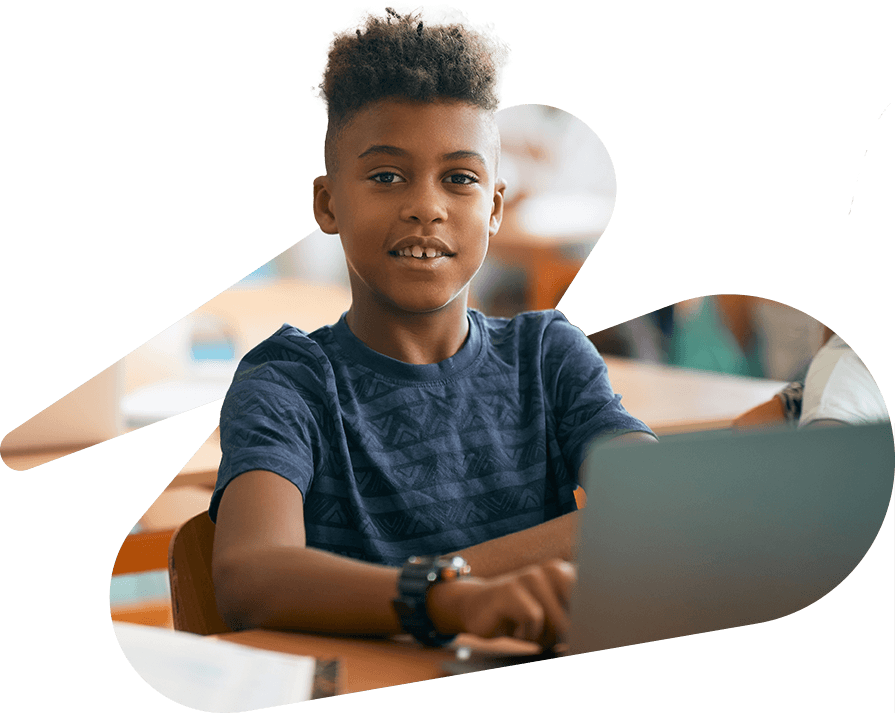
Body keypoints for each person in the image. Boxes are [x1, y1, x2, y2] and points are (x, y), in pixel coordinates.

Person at [209, 5, 654, 652]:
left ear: (494, 206)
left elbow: (656, 508)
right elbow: (248, 576)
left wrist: (460, 579)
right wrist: (452, 598)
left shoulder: (547, 356)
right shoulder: (289, 381)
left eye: (460, 178)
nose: (426, 205)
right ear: (327, 202)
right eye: (386, 175)